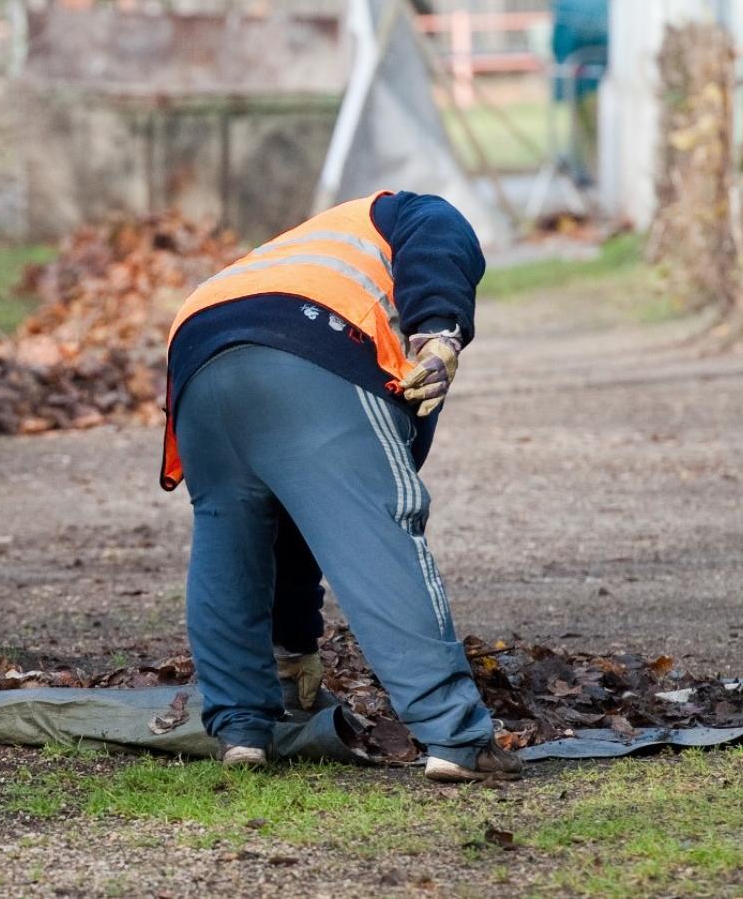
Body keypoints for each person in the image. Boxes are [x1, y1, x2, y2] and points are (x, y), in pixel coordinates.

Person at [159, 190, 521, 782]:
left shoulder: (293, 248)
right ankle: (456, 737)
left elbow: (301, 518)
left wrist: (294, 645)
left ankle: (243, 730)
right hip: (311, 336)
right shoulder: (403, 209)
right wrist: (439, 330)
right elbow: (439, 228)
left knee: (229, 537)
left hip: (197, 353)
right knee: (378, 535)